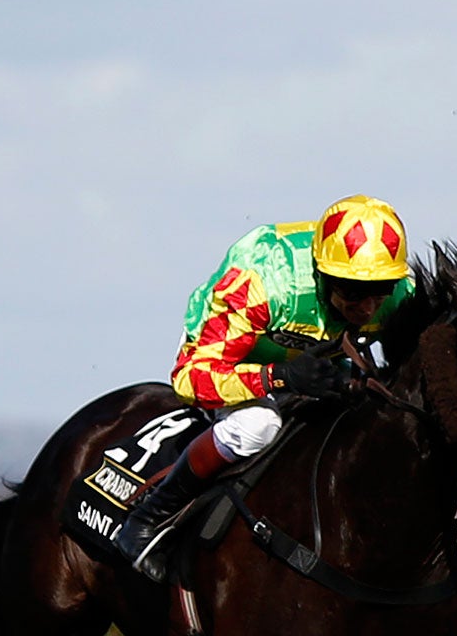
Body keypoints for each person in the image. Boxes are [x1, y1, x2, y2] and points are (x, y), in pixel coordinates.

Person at [112, 195, 415, 581]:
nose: (369, 307)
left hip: (314, 357)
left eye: (381, 289)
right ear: (323, 274)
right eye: (353, 291)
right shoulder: (260, 284)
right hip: (229, 357)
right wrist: (278, 378)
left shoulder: (402, 295)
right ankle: (147, 519)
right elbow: (191, 379)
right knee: (258, 424)